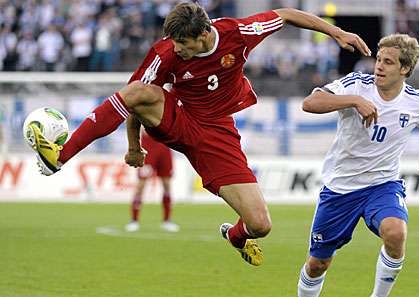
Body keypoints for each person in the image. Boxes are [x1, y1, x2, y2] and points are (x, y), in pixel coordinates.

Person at [26, 3, 371, 266]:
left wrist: (335, 33)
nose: (177, 50)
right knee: (135, 92)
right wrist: (134, 147)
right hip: (177, 117)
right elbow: (135, 96)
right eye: (174, 44)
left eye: (183, 45)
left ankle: (235, 237)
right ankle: (60, 155)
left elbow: (285, 14)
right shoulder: (164, 53)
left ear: (204, 34)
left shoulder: (239, 33)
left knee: (260, 223)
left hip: (217, 131)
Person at [296, 34, 419, 297]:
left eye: (388, 62)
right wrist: (353, 101)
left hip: (382, 184)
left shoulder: (418, 103)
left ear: (405, 69)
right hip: (341, 187)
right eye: (378, 59)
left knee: (396, 233)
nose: (379, 66)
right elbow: (310, 103)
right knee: (318, 264)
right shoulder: (356, 85)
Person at [125, 131, 179, 233]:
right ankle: (134, 220)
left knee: (167, 184)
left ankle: (167, 220)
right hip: (148, 148)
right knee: (141, 185)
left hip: (164, 148)